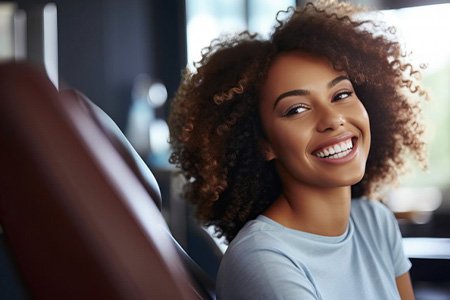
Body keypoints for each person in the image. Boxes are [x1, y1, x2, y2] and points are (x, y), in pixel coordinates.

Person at [168, 1, 427, 299]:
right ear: (264, 143)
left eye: (341, 94)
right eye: (296, 109)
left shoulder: (375, 222)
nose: (332, 119)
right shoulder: (263, 261)